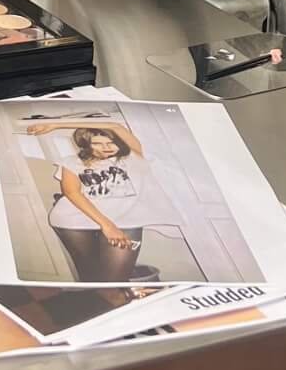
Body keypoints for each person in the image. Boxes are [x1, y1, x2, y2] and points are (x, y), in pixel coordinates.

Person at [45, 121, 183, 282]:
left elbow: (115, 126)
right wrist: (107, 225)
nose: (106, 147)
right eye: (97, 143)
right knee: (91, 277)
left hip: (125, 221)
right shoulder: (71, 161)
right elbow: (72, 193)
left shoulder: (133, 156)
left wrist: (55, 124)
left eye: (111, 142)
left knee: (116, 280)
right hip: (74, 221)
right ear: (87, 144)